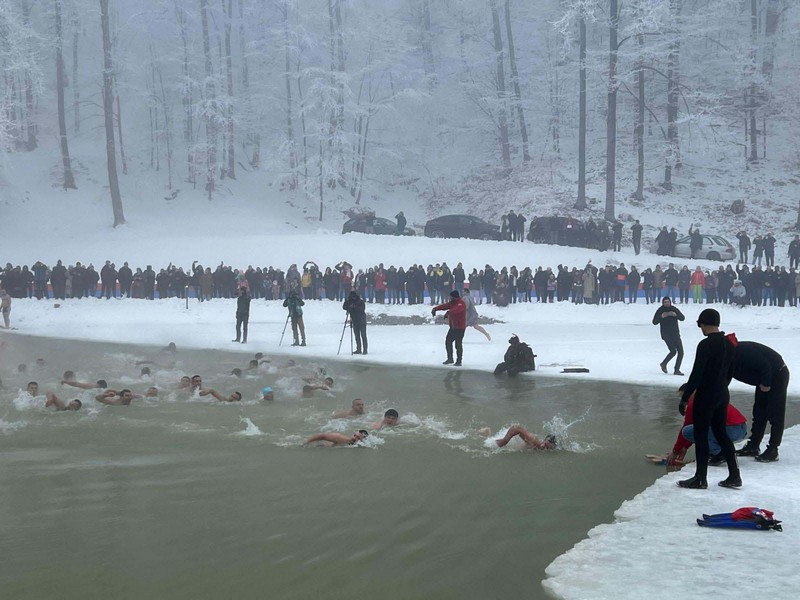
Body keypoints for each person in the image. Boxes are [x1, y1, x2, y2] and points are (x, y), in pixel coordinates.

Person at [676, 308, 740, 489]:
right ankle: (734, 476)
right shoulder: (729, 344)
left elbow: (697, 374)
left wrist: (685, 398)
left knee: (701, 435)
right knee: (721, 434)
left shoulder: (705, 345)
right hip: (722, 394)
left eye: (700, 325)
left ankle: (700, 478)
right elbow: (731, 372)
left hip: (706, 395)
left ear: (703, 324)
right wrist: (721, 387)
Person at [728, 336, 789, 463]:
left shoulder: (743, 351)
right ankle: (753, 445)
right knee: (759, 411)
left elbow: (764, 365)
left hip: (778, 373)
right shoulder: (726, 357)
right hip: (763, 378)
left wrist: (766, 384)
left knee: (775, 413)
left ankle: (773, 449)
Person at [666, 387, 747, 470]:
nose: (683, 400)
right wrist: (684, 447)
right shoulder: (709, 396)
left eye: (683, 396)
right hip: (742, 429)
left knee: (686, 431)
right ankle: (721, 451)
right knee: (700, 429)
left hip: (731, 429)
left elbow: (688, 428)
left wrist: (675, 451)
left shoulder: (694, 403)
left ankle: (719, 453)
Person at [431, 290, 467, 366]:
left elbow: (456, 310)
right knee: (448, 342)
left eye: (451, 297)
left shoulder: (461, 303)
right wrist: (435, 309)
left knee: (458, 344)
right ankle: (450, 358)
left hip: (460, 328)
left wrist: (448, 312)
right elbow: (444, 306)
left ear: (454, 297)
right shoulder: (452, 303)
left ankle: (459, 361)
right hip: (453, 327)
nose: (449, 298)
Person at [652, 297, 685, 375]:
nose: (666, 303)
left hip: (675, 334)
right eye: (665, 302)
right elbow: (654, 322)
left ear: (670, 302)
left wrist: (676, 315)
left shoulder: (674, 309)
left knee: (681, 352)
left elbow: (682, 318)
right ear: (663, 303)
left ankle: (676, 370)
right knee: (673, 351)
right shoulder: (660, 310)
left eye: (668, 302)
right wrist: (661, 317)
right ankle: (664, 364)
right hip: (666, 335)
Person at [481, 425, 557, 450]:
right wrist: (504, 441)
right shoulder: (535, 440)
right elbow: (516, 428)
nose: (544, 447)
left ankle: (487, 432)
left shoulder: (542, 449)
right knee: (488, 445)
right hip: (512, 437)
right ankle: (485, 431)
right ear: (543, 440)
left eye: (547, 447)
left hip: (518, 440)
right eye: (545, 444)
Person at [343, 290, 368, 355]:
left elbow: (361, 309)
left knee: (363, 335)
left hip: (361, 320)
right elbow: (344, 307)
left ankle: (365, 350)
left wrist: (354, 307)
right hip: (354, 320)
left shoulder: (360, 302)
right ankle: (359, 349)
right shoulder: (350, 302)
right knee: (357, 336)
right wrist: (346, 302)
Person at [303, 430, 369, 447]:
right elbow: (322, 436)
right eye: (355, 436)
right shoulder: (341, 439)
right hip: (319, 446)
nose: (355, 438)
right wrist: (307, 442)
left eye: (358, 438)